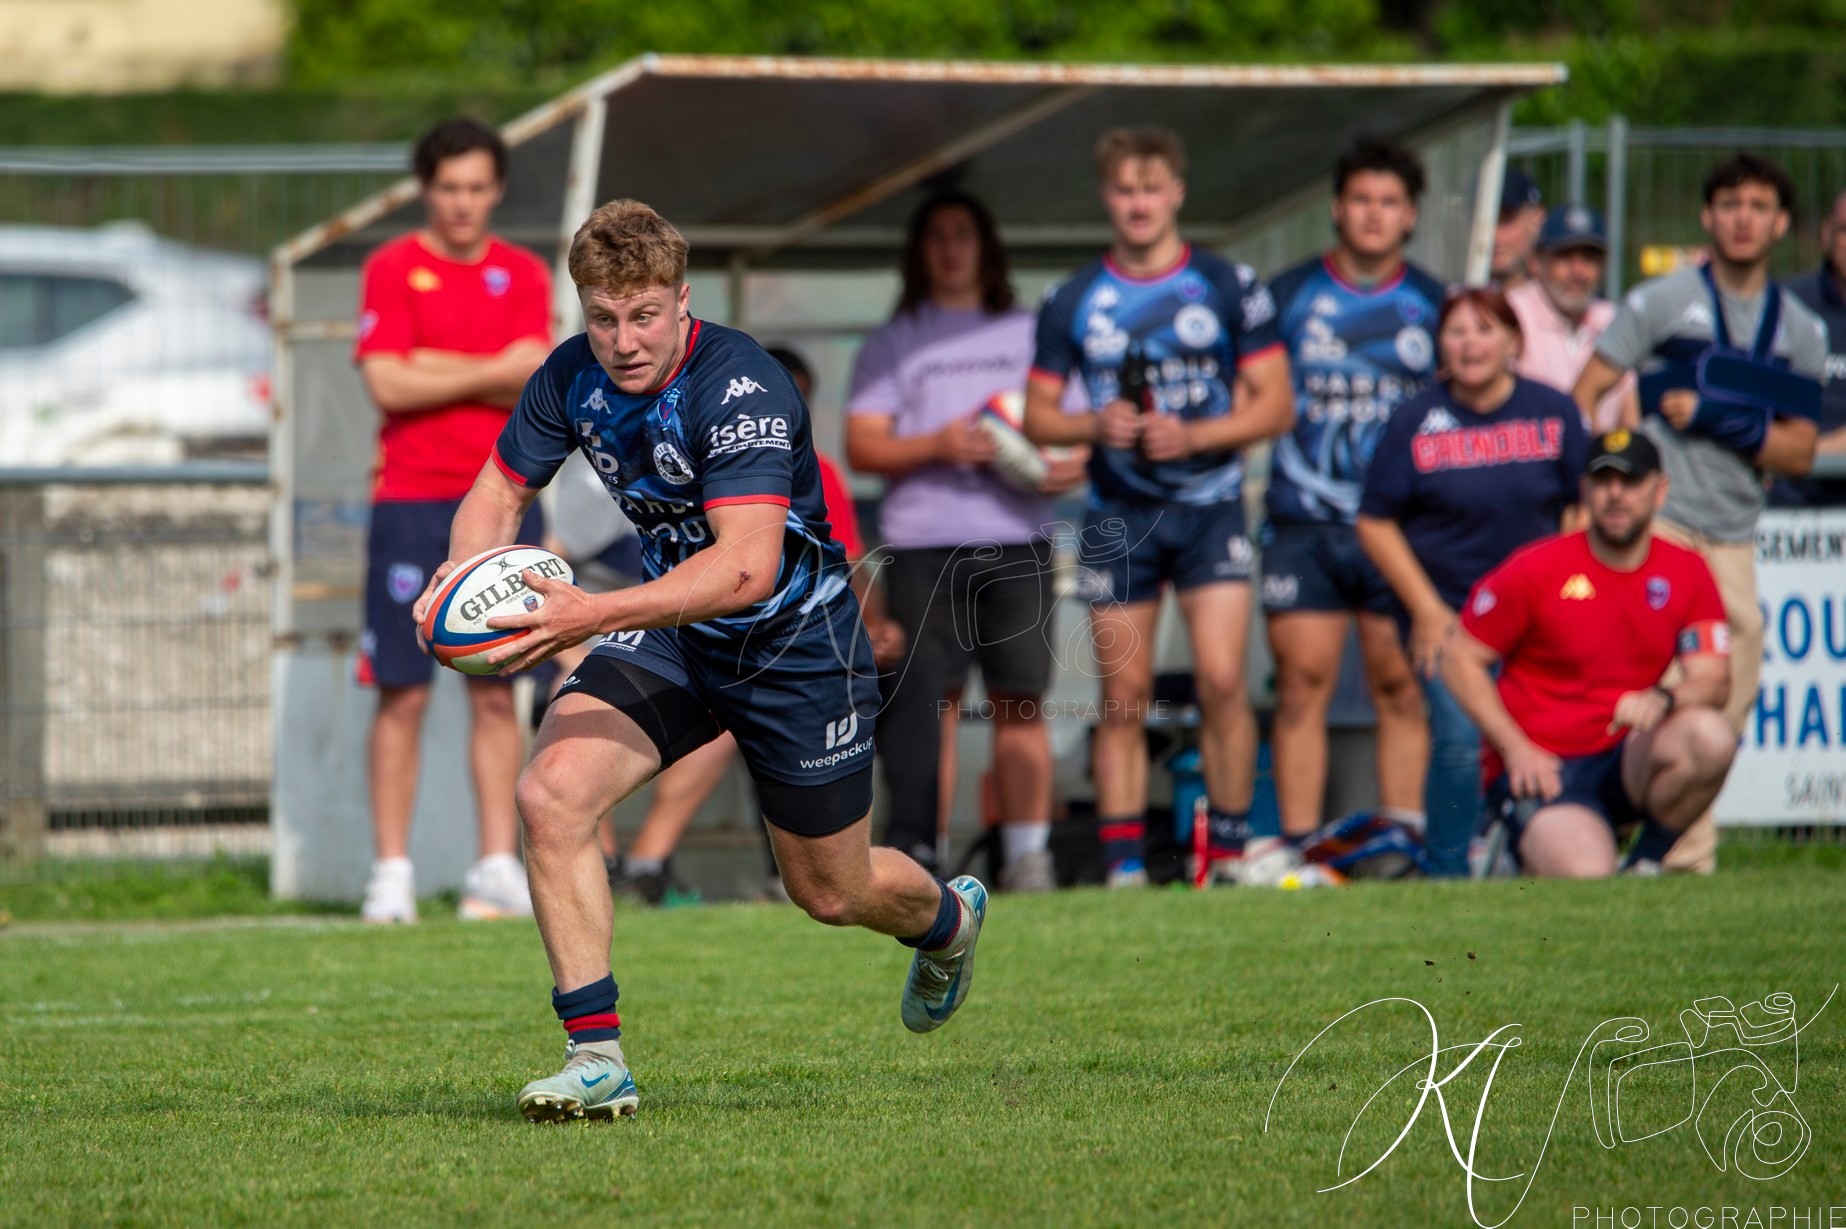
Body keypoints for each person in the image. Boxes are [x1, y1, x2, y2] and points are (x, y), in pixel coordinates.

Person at [412, 199, 987, 1123]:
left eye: (643, 315)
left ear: (683, 302)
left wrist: (589, 613)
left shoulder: (740, 387)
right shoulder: (569, 378)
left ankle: (949, 922)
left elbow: (747, 567)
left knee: (831, 892)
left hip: (794, 648)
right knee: (550, 791)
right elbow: (496, 491)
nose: (623, 339)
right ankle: (596, 1055)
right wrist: (460, 583)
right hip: (676, 633)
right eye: (603, 317)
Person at [1022, 126, 1294, 886]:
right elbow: (1040, 416)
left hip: (1210, 508)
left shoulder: (1227, 283)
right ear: (1107, 197)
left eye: (1151, 187)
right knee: (1124, 694)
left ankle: (1232, 852)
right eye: (1124, 189)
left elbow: (1276, 405)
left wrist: (1197, 432)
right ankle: (1125, 867)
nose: (1138, 203)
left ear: (1177, 191)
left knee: (1222, 679)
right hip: (1117, 514)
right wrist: (1092, 424)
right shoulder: (1072, 297)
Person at [1572, 152, 1827, 874]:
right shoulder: (1660, 300)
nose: (1743, 218)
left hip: (1736, 533)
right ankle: (1673, 851)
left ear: (1781, 223)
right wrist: (1589, 491)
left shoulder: (1799, 329)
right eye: (1729, 204)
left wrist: (1722, 417)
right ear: (1706, 217)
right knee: (1660, 688)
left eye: (1758, 206)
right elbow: (1584, 391)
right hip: (1661, 523)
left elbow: (1800, 453)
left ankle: (1662, 844)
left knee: (1726, 700)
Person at [846, 191, 1087, 892]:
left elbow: (1070, 432)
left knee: (1021, 700)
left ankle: (1026, 856)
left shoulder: (1027, 330)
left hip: (1017, 543)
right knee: (932, 707)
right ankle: (929, 856)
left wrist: (1062, 464)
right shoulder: (897, 338)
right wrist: (941, 443)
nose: (951, 248)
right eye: (937, 237)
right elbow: (862, 443)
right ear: (920, 253)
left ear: (986, 246)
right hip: (924, 546)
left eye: (963, 234)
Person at [602, 344, 900, 906]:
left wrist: (876, 623)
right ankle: (637, 863)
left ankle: (926, 904)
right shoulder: (674, 449)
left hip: (793, 653)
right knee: (559, 782)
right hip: (689, 635)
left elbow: (847, 560)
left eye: (794, 407)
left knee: (833, 891)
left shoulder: (818, 472)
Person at [353, 117, 551, 924]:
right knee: (400, 691)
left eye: (476, 187)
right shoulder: (393, 266)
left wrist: (435, 367)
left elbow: (535, 382)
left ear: (496, 189)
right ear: (424, 189)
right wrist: (490, 370)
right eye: (447, 188)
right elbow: (387, 386)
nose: (462, 203)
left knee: (499, 691)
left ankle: (494, 865)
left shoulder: (527, 272)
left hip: (504, 499)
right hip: (409, 497)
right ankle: (392, 872)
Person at [1357, 286, 1589, 876]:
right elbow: (1374, 522)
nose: (1471, 344)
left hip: (1531, 616)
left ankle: (1532, 856)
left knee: (1543, 730)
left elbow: (1577, 509)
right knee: (1461, 736)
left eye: (1485, 330)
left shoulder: (1555, 412)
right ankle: (1446, 870)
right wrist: (1427, 610)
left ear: (1514, 340)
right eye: (1457, 332)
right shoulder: (1414, 420)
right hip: (1448, 614)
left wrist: (1564, 593)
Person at [1260, 136, 1444, 861]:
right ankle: (1303, 855)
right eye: (1361, 199)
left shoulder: (1434, 302)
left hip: (1399, 529)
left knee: (1399, 682)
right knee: (1302, 685)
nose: (1373, 214)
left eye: (1389, 201)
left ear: (1410, 216)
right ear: (1338, 207)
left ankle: (1401, 844)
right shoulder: (1287, 295)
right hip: (1304, 522)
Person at [1444, 430, 1737, 877]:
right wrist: (1515, 748)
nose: (1616, 495)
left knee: (1712, 735)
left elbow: (1714, 680)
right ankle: (1512, 837)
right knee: (1586, 876)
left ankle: (1645, 865)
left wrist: (1665, 699)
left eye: (1631, 481)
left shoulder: (1687, 570)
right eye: (1603, 481)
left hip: (1625, 757)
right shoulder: (1537, 567)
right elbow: (1459, 659)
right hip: (1546, 770)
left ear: (1660, 491)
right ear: (1585, 491)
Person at [1507, 205, 1638, 430]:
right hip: (1531, 459)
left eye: (1589, 259)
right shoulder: (1512, 313)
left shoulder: (1612, 318)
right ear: (1537, 262)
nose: (1578, 271)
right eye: (1565, 257)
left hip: (1604, 460)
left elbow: (1629, 417)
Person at [1776, 186, 1846, 506]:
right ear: (1826, 233)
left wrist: (1800, 452)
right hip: (1785, 497)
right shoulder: (1784, 304)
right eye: (1845, 230)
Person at [1491, 167, 1546, 290]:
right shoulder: (1452, 302)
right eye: (1482, 224)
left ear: (1537, 219)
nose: (1492, 235)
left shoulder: (1565, 302)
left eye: (1505, 219)